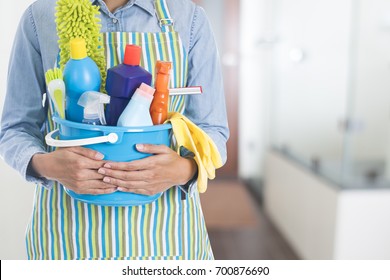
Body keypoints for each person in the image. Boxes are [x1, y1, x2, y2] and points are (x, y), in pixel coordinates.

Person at [0, 0, 228, 260]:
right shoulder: (40, 16)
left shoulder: (189, 18)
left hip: (165, 237)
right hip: (68, 237)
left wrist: (183, 169)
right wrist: (46, 165)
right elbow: (15, 128)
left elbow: (213, 131)